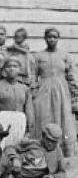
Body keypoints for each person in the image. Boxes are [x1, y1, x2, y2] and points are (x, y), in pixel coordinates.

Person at [33, 27, 78, 157]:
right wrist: (34, 92)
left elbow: (72, 77)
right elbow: (33, 76)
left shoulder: (65, 55)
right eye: (49, 36)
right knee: (44, 117)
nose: (51, 39)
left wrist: (75, 96)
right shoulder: (38, 56)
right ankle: (44, 151)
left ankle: (64, 152)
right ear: (45, 38)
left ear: (58, 38)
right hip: (44, 91)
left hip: (62, 91)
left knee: (63, 117)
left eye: (54, 37)